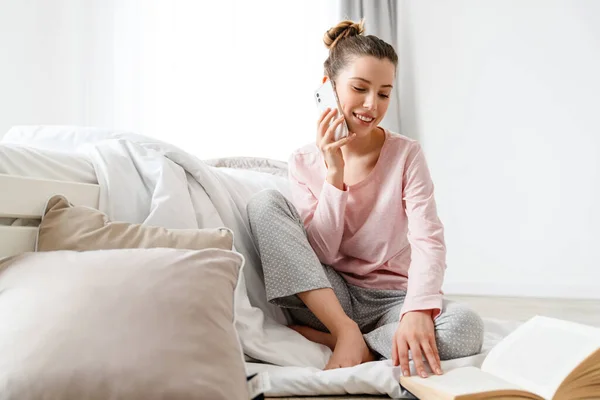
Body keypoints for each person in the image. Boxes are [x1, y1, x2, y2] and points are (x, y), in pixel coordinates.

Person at [247, 19, 484, 378]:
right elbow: (323, 253)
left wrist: (417, 312)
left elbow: (428, 239)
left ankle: (341, 341)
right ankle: (343, 331)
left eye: (385, 93)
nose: (372, 105)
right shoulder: (304, 162)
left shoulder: (407, 155)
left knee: (465, 328)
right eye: (360, 88)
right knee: (264, 203)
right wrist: (334, 175)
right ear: (328, 88)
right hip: (329, 296)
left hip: (392, 298)